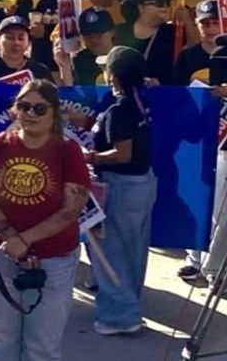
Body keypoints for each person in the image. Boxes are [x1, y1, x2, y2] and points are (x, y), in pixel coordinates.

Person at [0, 80, 90, 361]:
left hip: (54, 258)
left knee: (43, 347)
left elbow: (71, 208)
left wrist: (25, 241)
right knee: (1, 340)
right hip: (0, 254)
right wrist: (10, 237)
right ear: (15, 110)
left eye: (39, 108)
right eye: (24, 106)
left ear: (54, 113)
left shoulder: (68, 150)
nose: (31, 114)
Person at [86, 46, 155, 336]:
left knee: (110, 251)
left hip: (120, 186)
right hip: (142, 183)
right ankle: (130, 305)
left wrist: (89, 157)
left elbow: (121, 153)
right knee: (133, 250)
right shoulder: (139, 101)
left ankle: (119, 317)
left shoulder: (119, 109)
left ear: (112, 75)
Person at [0, 17, 53, 82]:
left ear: (29, 43)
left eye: (21, 38)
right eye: (10, 37)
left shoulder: (40, 72)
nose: (16, 43)